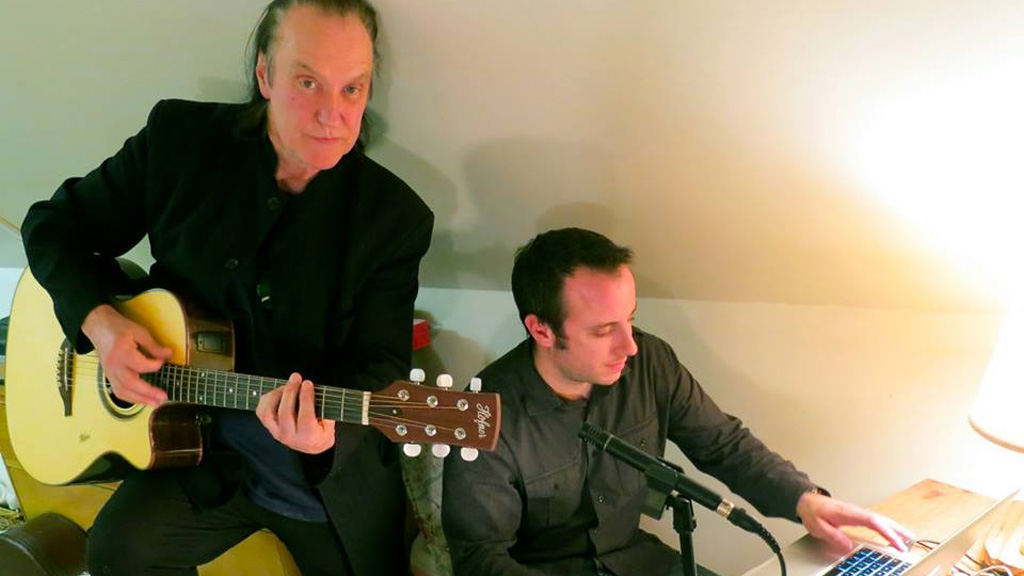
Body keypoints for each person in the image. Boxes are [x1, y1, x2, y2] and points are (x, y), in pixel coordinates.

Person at [21, 1, 433, 575]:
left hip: (313, 470)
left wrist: (324, 437)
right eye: (308, 82)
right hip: (190, 444)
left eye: (352, 89)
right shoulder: (179, 140)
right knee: (116, 553)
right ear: (265, 74)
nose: (332, 115)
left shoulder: (395, 218)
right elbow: (52, 226)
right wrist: (100, 322)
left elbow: (382, 362)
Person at [442, 228, 913, 576]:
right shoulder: (482, 413)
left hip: (638, 562)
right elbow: (479, 558)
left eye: (630, 319)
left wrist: (804, 500)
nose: (629, 345)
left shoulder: (649, 362)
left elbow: (723, 444)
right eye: (604, 331)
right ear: (542, 330)